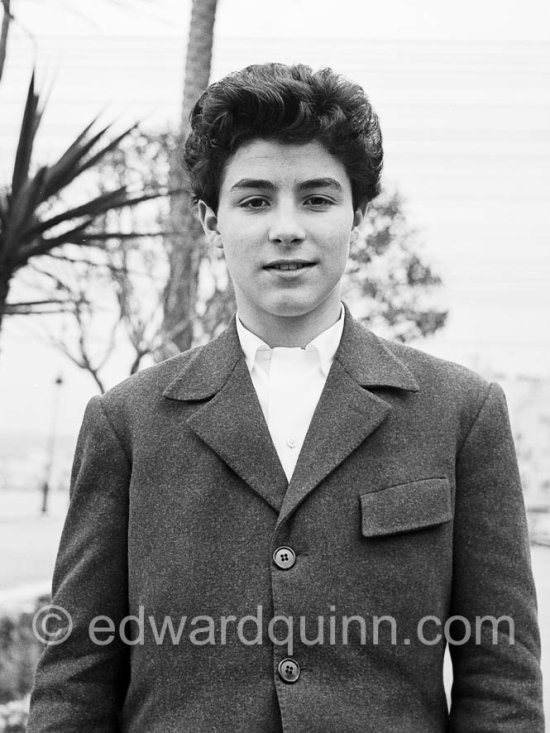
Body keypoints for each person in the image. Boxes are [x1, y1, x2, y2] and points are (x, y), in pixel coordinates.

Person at [27, 62, 544, 732]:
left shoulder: (460, 413)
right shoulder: (128, 422)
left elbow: (502, 682)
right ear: (210, 220)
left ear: (358, 213)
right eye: (255, 199)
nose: (287, 227)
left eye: (318, 198)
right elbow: (74, 681)